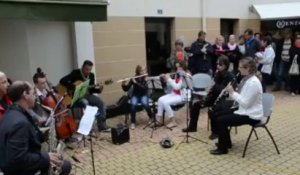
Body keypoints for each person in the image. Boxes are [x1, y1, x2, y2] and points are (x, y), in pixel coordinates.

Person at [0, 81, 71, 175]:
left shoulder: (11, 112)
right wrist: (46, 157)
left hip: (14, 165)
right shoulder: (19, 123)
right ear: (25, 95)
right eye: (33, 93)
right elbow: (18, 159)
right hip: (21, 171)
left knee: (64, 164)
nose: (35, 97)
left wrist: (41, 135)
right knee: (65, 166)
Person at [210, 57, 263, 155]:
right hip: (244, 109)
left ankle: (223, 148)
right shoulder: (246, 79)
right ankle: (226, 143)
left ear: (248, 69)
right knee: (217, 113)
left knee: (221, 120)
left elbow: (245, 103)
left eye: (240, 67)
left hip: (251, 114)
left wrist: (232, 92)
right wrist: (229, 93)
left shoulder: (253, 83)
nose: (238, 69)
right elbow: (241, 97)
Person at [182, 55, 234, 133]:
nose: (218, 66)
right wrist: (209, 89)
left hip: (223, 100)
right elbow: (214, 86)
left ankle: (215, 131)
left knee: (212, 110)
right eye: (217, 64)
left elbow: (223, 90)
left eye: (220, 65)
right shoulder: (218, 73)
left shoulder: (230, 76)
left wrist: (213, 86)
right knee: (195, 105)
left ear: (225, 66)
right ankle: (192, 127)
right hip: (213, 97)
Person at [59, 60, 110, 132]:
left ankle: (102, 126)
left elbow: (91, 90)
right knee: (85, 103)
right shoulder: (75, 73)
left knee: (100, 102)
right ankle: (87, 128)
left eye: (89, 69)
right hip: (76, 97)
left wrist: (99, 90)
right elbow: (62, 80)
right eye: (86, 69)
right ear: (82, 67)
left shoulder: (91, 75)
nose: (88, 71)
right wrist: (73, 87)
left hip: (87, 95)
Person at [157, 61, 188, 128]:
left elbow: (177, 87)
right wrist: (165, 78)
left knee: (165, 102)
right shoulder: (178, 74)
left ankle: (173, 121)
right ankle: (159, 120)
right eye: (176, 68)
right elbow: (173, 83)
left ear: (182, 67)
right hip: (174, 94)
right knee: (160, 99)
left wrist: (169, 79)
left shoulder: (184, 75)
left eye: (178, 67)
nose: (177, 69)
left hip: (182, 96)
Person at [121, 65, 153, 129]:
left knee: (145, 104)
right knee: (133, 105)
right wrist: (123, 84)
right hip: (135, 95)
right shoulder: (134, 78)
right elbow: (126, 89)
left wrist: (136, 83)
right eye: (142, 70)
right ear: (139, 71)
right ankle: (133, 122)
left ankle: (151, 117)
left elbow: (144, 88)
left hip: (144, 94)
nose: (144, 71)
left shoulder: (146, 78)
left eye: (144, 70)